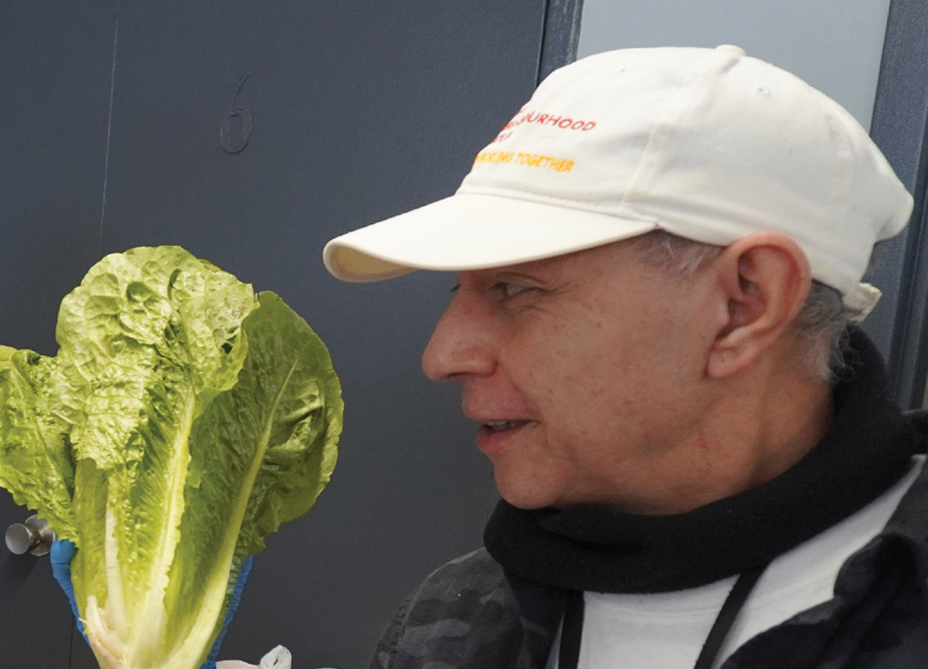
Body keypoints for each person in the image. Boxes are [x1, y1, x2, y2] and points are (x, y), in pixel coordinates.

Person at [323, 45, 928, 668]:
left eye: (514, 288)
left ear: (744, 305)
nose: (442, 355)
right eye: (461, 290)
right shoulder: (458, 616)